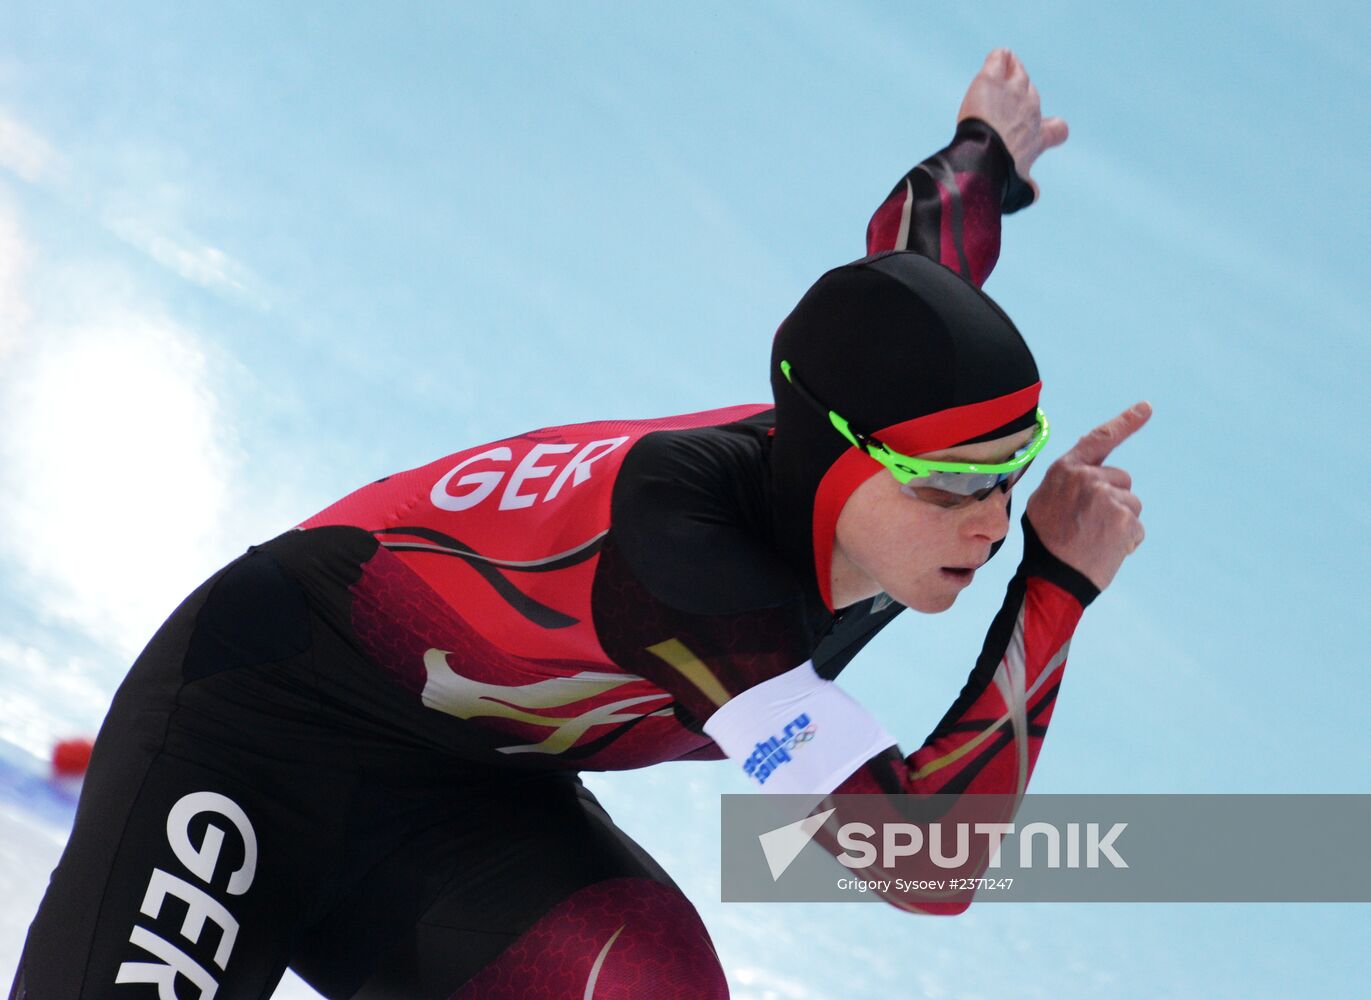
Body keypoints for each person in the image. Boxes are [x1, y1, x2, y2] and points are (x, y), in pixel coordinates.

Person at [10, 49, 1146, 999]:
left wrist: (982, 153)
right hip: (254, 731)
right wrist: (1054, 585)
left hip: (462, 800)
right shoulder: (696, 562)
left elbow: (914, 258)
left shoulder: (876, 431)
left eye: (1012, 471)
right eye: (947, 482)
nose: (991, 518)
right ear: (843, 459)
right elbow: (922, 857)